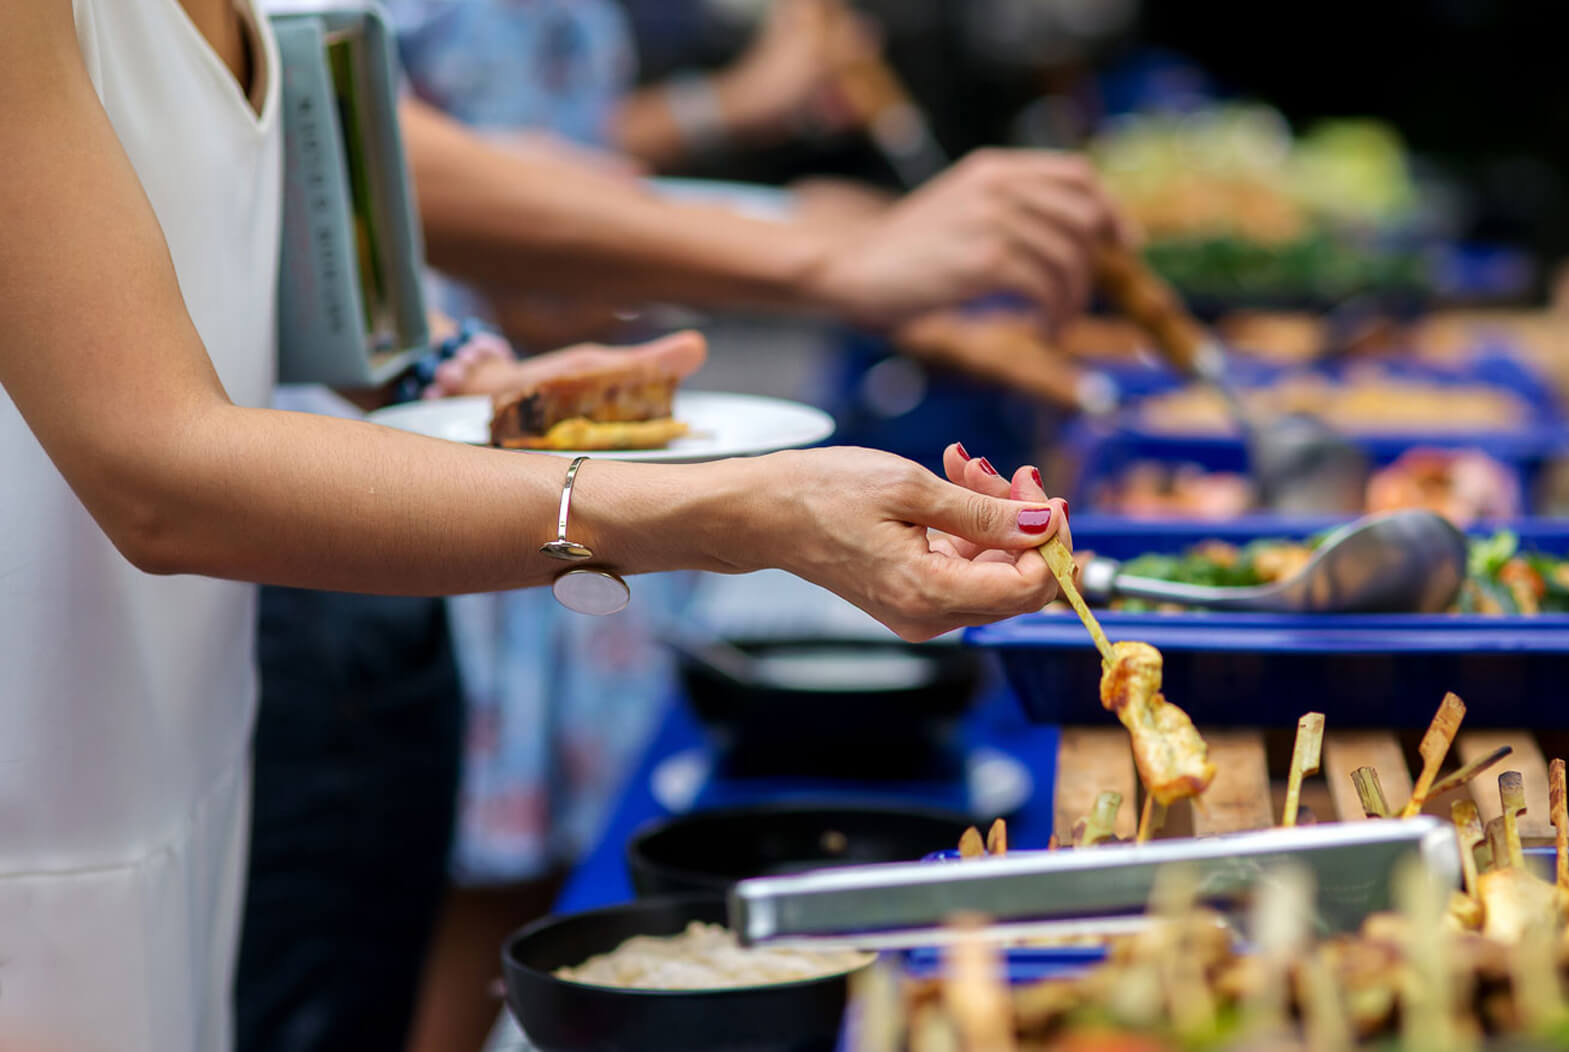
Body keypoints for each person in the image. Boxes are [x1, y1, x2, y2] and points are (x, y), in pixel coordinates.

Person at [0, 3, 1081, 1051]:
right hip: (45, 776)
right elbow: (157, 473)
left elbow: (289, 240)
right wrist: (737, 508)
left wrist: (478, 383)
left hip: (186, 723)